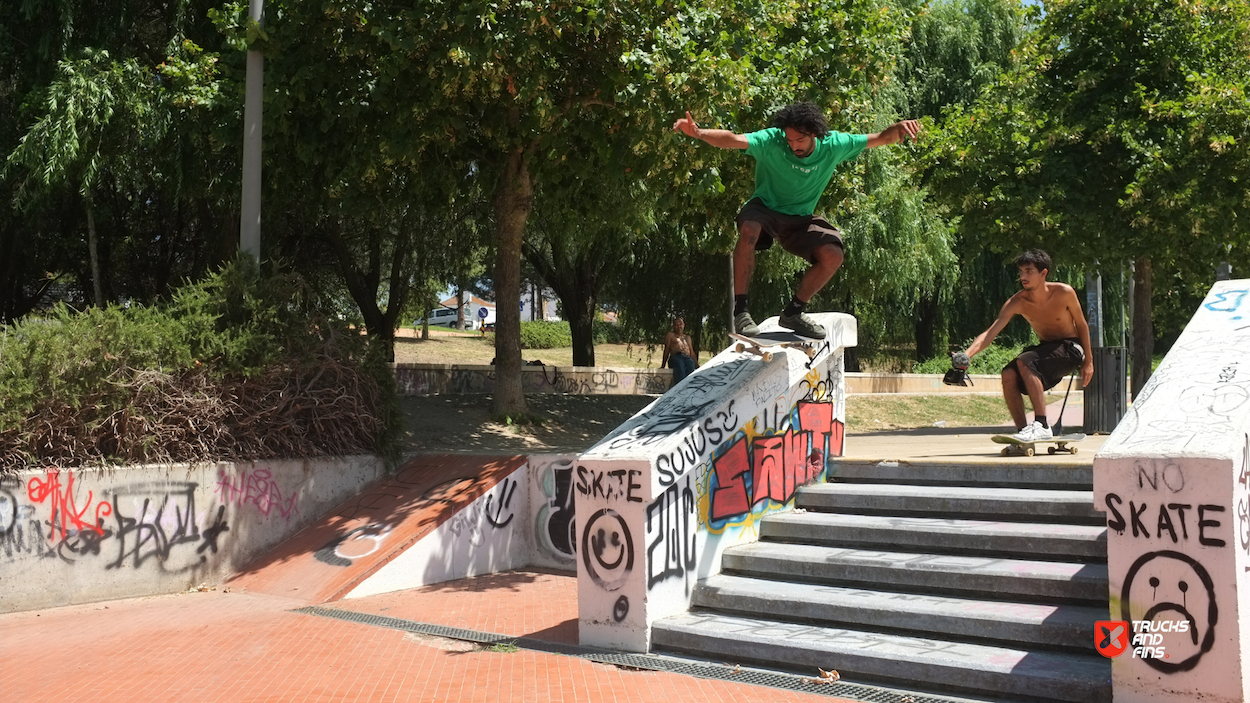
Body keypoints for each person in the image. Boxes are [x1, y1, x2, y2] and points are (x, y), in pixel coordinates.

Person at [672, 102, 921, 339]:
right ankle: (742, 311)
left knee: (833, 254)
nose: (793, 146)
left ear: (814, 134)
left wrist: (898, 128)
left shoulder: (833, 144)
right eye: (789, 140)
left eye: (799, 140)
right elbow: (733, 140)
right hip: (765, 208)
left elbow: (879, 138)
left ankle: (793, 312)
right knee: (749, 228)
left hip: (800, 218)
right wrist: (700, 133)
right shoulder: (771, 140)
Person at [953, 249, 1094, 442]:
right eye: (1021, 271)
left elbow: (1082, 325)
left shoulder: (1064, 292)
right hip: (1047, 350)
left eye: (1029, 271)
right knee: (1008, 374)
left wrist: (1089, 362)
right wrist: (967, 355)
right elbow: (990, 333)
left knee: (1026, 361)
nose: (1023, 276)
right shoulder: (1017, 302)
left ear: (1043, 273)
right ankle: (1024, 432)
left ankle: (1042, 425)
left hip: (1071, 348)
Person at [661, 317, 697, 384]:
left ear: (683, 325)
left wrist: (697, 365)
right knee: (680, 366)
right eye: (677, 325)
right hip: (676, 357)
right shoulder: (670, 335)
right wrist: (663, 365)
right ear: (674, 326)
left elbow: (691, 352)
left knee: (691, 365)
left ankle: (687, 388)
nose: (679, 326)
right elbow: (666, 350)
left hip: (687, 358)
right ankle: (680, 389)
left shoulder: (687, 338)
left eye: (680, 324)